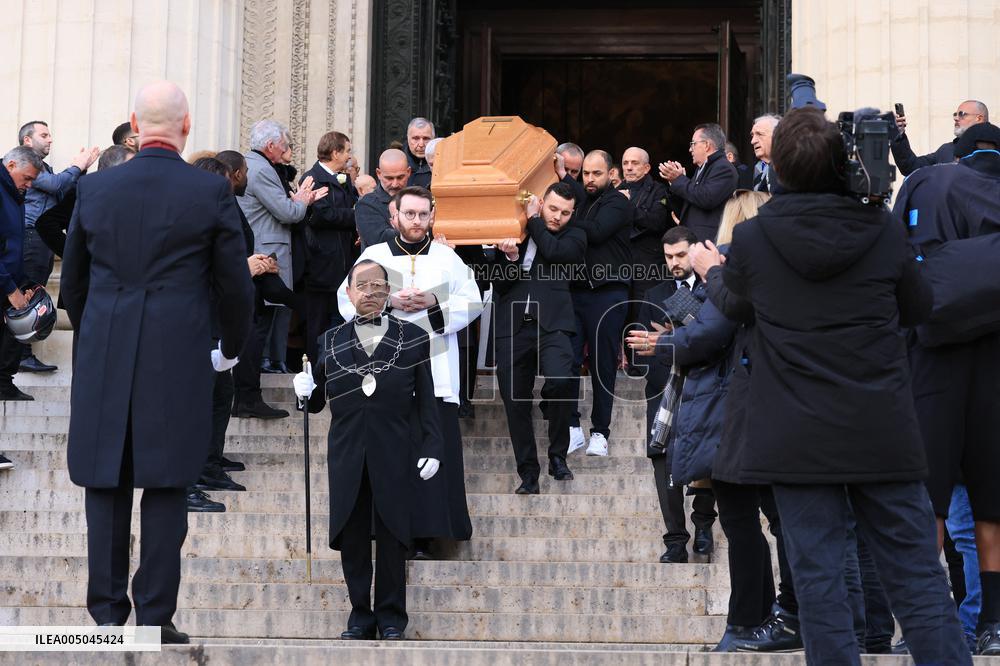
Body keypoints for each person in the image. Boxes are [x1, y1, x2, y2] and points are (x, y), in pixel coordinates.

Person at [709, 106, 967, 664]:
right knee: (920, 583)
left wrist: (712, 271)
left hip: (796, 437)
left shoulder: (752, 239)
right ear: (841, 164)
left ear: (777, 170)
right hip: (881, 428)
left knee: (820, 588)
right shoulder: (884, 229)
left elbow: (733, 303)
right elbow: (918, 307)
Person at [60, 80, 254, 644]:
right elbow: (235, 287)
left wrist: (99, 330)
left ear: (134, 123)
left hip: (105, 350)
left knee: (106, 480)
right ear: (187, 127)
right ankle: (154, 617)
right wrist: (234, 346)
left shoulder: (95, 192)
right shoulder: (209, 192)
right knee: (168, 484)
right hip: (178, 351)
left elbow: (73, 282)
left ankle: (104, 617)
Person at [892, 121, 1000, 656]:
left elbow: (895, 257)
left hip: (933, 353)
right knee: (991, 501)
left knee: (929, 496)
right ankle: (996, 622)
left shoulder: (927, 183)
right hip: (995, 356)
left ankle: (925, 621)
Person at [295, 259, 441, 641]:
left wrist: (433, 445)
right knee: (354, 534)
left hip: (395, 448)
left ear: (388, 292)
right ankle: (360, 614)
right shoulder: (329, 340)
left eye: (379, 286)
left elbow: (427, 399)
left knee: (394, 533)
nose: (371, 293)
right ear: (349, 292)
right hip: (346, 452)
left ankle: (392, 616)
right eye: (363, 286)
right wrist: (303, 393)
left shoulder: (413, 338)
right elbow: (315, 404)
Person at [337, 185, 482, 559]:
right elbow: (345, 298)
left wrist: (433, 301)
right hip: (384, 367)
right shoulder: (373, 256)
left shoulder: (448, 259)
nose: (416, 221)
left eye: (422, 214)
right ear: (394, 217)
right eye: (409, 214)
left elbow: (473, 301)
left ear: (432, 216)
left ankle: (429, 533)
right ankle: (384, 531)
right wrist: (387, 301)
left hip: (435, 362)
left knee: (431, 449)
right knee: (388, 456)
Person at [489, 182, 586, 494]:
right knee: (515, 400)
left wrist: (533, 221)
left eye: (565, 213)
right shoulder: (513, 230)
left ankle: (558, 455)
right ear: (542, 203)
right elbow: (498, 285)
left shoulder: (575, 236)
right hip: (512, 327)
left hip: (554, 324)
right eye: (553, 209)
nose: (557, 217)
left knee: (561, 381)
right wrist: (512, 258)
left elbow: (555, 252)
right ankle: (528, 473)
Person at [629, 225, 718, 564]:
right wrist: (677, 341)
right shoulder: (652, 295)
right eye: (669, 257)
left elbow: (712, 338)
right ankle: (675, 540)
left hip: (704, 386)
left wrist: (673, 337)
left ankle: (704, 527)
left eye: (681, 255)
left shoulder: (713, 289)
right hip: (663, 390)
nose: (675, 263)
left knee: (705, 455)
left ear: (695, 251)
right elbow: (643, 348)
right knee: (661, 461)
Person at [232, 119, 326, 417]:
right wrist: (302, 201)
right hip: (264, 261)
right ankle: (248, 397)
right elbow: (287, 212)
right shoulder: (260, 169)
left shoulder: (254, 166)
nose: (289, 150)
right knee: (258, 327)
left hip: (259, 257)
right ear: (271, 146)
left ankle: (250, 393)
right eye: (286, 145)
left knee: (263, 323)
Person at [18, 120, 99, 373]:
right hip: (30, 235)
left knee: (35, 291)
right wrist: (78, 166)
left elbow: (62, 193)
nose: (50, 139)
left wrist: (79, 173)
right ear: (27, 140)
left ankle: (22, 352)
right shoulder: (27, 163)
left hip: (38, 239)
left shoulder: (45, 168)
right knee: (28, 293)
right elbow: (56, 186)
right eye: (44, 134)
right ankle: (20, 354)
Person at [567, 150, 632, 457]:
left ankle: (600, 432)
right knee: (565, 360)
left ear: (611, 175)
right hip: (577, 292)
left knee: (602, 364)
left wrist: (562, 218)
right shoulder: (579, 202)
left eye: (597, 174)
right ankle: (571, 427)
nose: (590, 179)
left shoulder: (618, 201)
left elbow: (597, 231)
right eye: (586, 174)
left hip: (608, 292)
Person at [0, 145, 43, 474]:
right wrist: (10, 288)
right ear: (11, 163)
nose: (28, 185)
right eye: (26, 177)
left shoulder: (13, 194)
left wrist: (23, 281)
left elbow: (9, 247)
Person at [301, 131, 359, 365]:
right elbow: (323, 215)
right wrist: (357, 216)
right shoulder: (312, 179)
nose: (349, 156)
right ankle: (314, 375)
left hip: (342, 264)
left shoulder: (340, 178)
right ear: (335, 152)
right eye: (346, 151)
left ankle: (337, 369)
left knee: (340, 321)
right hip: (321, 266)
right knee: (317, 324)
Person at [618, 146, 672, 375]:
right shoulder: (617, 189)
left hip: (648, 266)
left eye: (634, 163)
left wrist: (626, 206)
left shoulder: (659, 190)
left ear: (647, 167)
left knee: (644, 313)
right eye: (625, 163)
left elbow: (658, 222)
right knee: (621, 312)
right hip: (620, 264)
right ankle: (623, 361)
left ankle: (643, 365)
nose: (629, 167)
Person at [659, 123, 738, 242]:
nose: (690, 149)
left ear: (706, 145)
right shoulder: (702, 169)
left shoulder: (723, 167)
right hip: (693, 239)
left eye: (693, 144)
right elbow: (690, 203)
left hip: (708, 241)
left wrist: (679, 180)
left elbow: (706, 198)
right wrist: (674, 183)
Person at [892, 100, 988, 176]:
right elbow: (911, 167)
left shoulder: (995, 148)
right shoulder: (946, 150)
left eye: (962, 114)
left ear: (978, 118)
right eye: (955, 114)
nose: (956, 118)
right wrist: (898, 135)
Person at [356, 148, 411, 249]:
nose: (395, 184)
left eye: (400, 177)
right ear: (378, 174)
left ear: (408, 172)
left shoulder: (418, 199)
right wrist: (419, 231)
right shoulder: (366, 204)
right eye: (389, 178)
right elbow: (381, 240)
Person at [749, 114, 780, 193]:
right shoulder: (759, 172)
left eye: (759, 134)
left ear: (777, 136)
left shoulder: (790, 169)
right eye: (752, 135)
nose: (753, 141)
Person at [405, 117, 434, 188]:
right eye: (416, 138)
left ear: (433, 138)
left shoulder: (442, 163)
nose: (421, 144)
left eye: (426, 138)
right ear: (408, 138)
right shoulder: (397, 161)